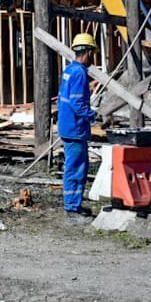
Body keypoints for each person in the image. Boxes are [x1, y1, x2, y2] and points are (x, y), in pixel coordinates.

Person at [57, 33, 99, 216]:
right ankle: (72, 209)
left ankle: (74, 205)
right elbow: (77, 104)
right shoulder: (80, 73)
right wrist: (94, 115)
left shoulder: (69, 70)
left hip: (67, 126)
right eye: (93, 53)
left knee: (73, 168)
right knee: (76, 170)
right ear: (88, 52)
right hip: (75, 129)